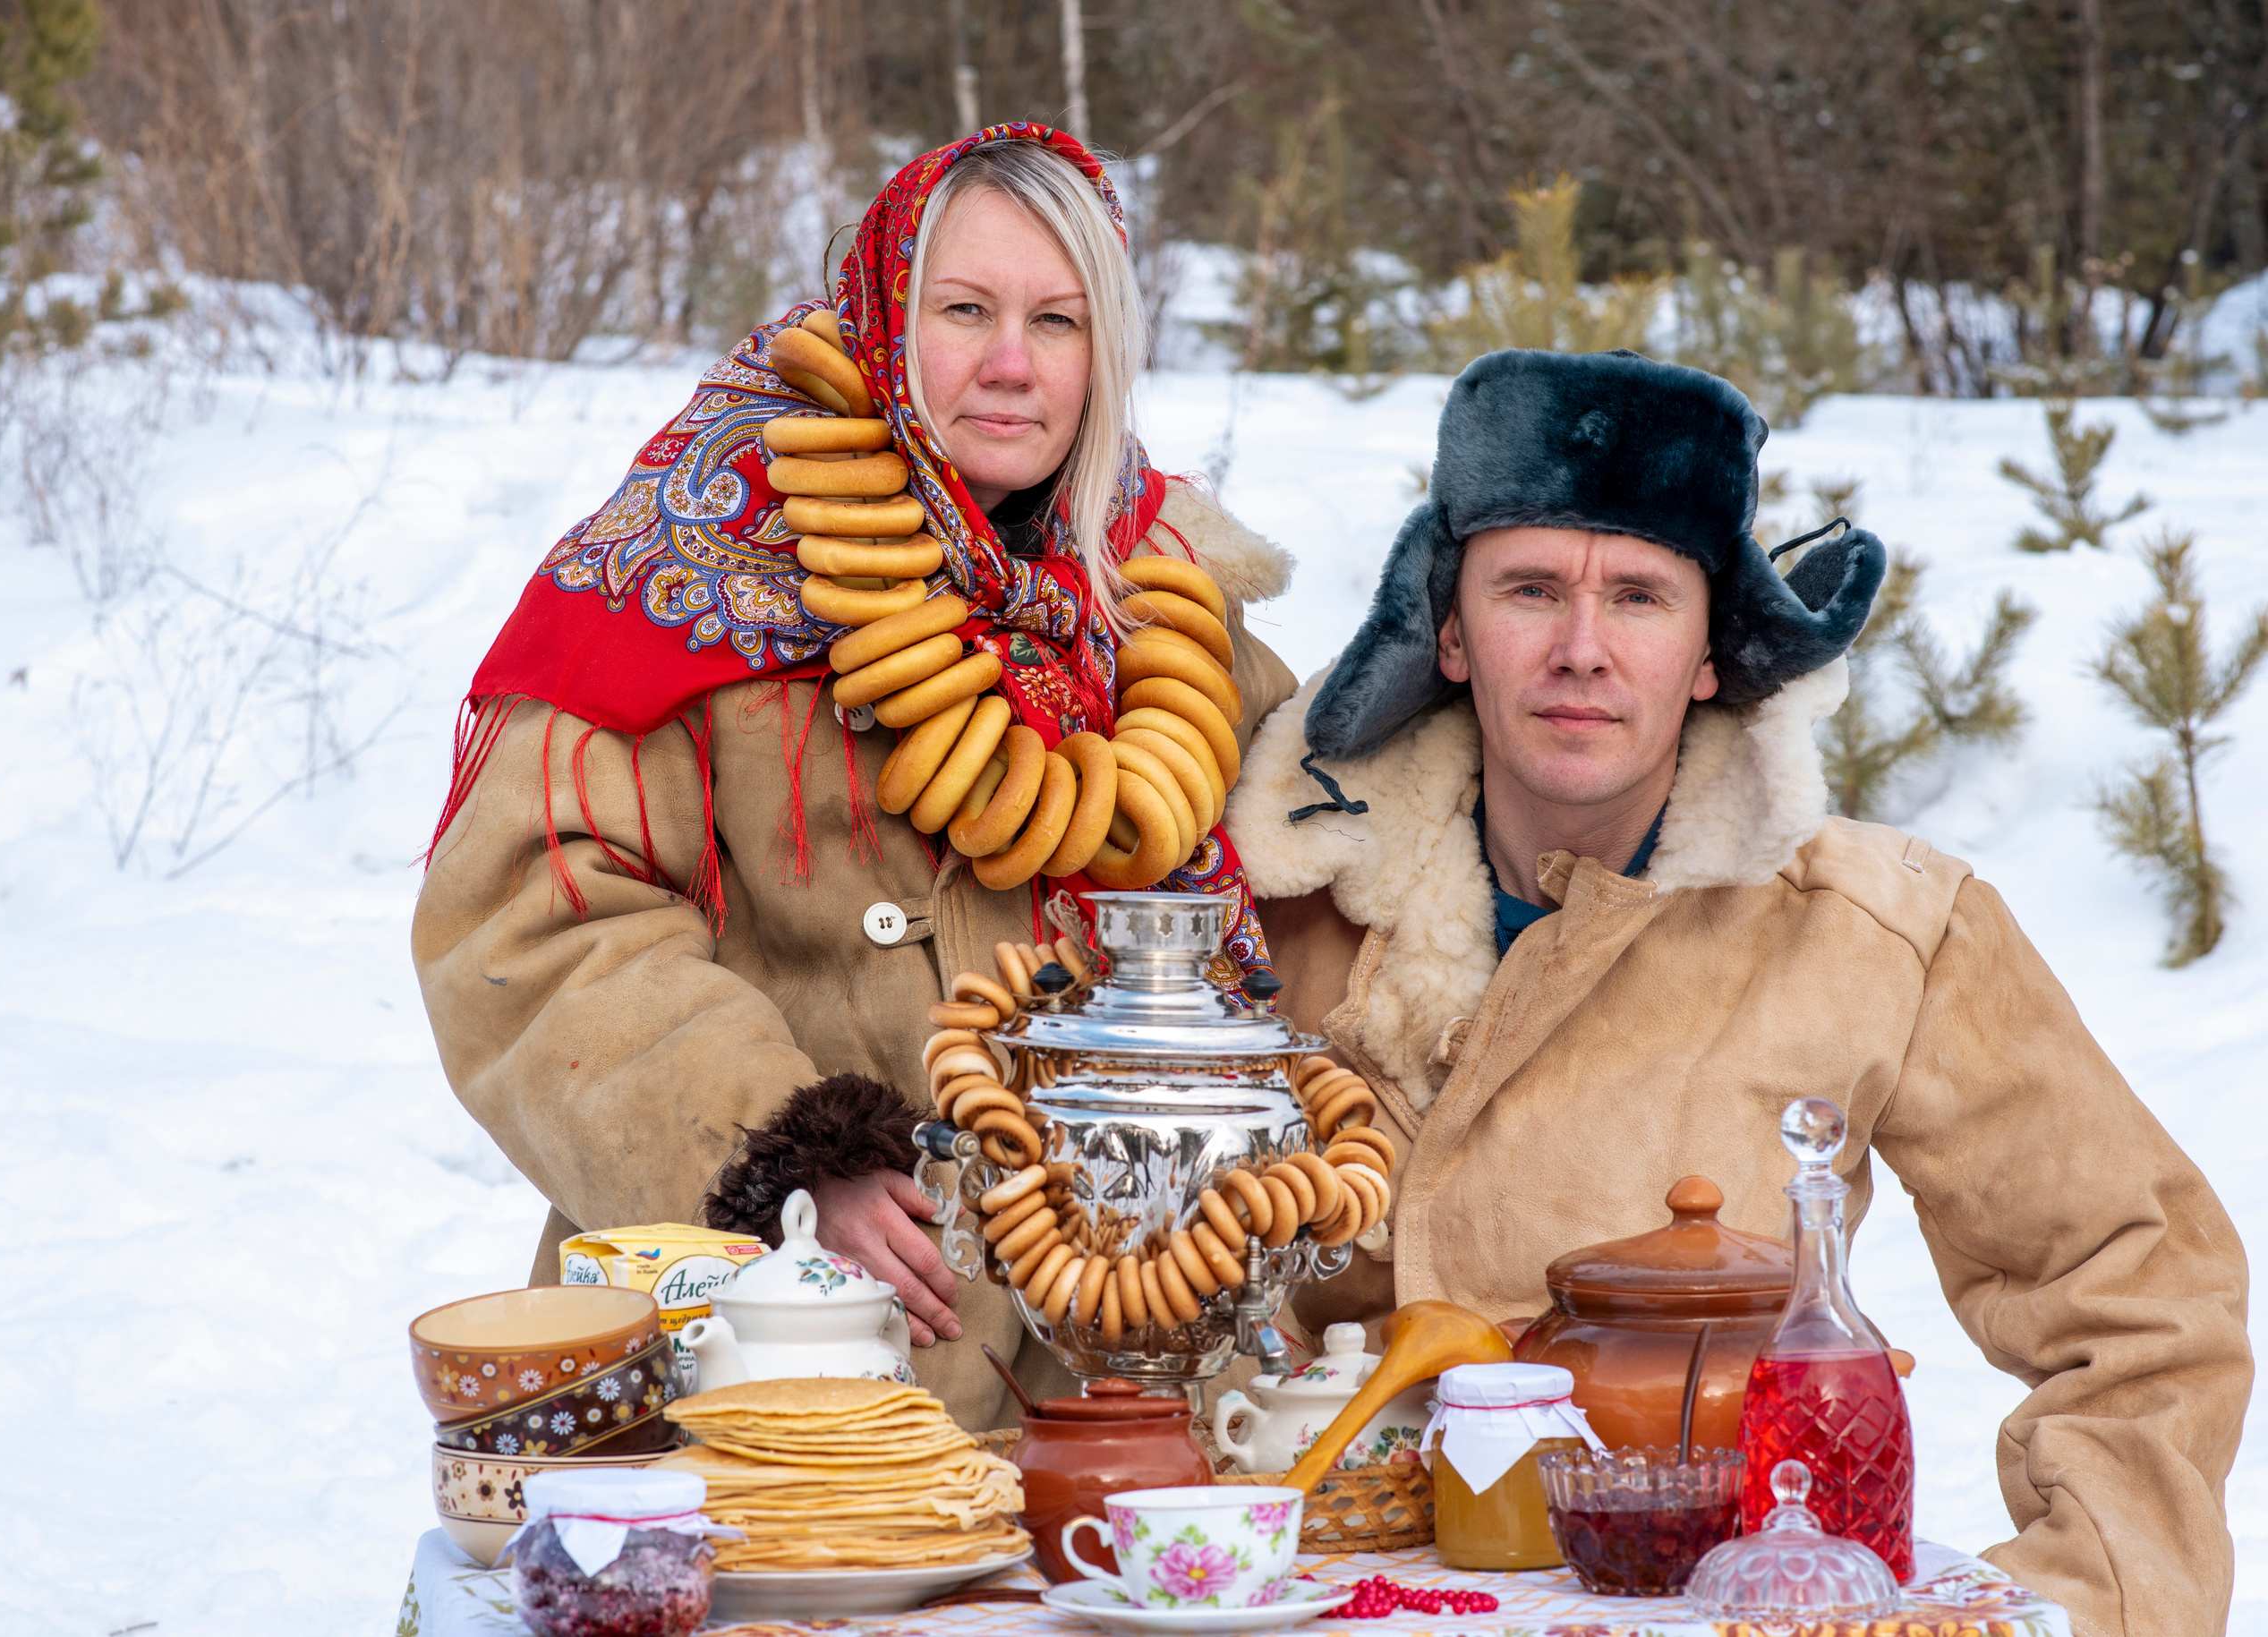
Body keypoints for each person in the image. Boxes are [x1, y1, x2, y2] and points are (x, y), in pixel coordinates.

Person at [1224, 349, 2250, 1636]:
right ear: (1447, 630)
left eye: (1642, 595)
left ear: (1714, 649)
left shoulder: (1878, 928)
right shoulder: (1268, 903)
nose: (1583, 649)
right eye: (1530, 589)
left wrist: (2075, 1605)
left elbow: (2140, 1291)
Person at [411, 125, 1296, 1433]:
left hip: (1108, 1388)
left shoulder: (1163, 598)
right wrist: (782, 1154)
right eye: (966, 310)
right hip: (765, 1357)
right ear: (886, 313)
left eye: (1057, 320)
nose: (1011, 363)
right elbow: (529, 930)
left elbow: (1315, 869)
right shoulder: (696, 559)